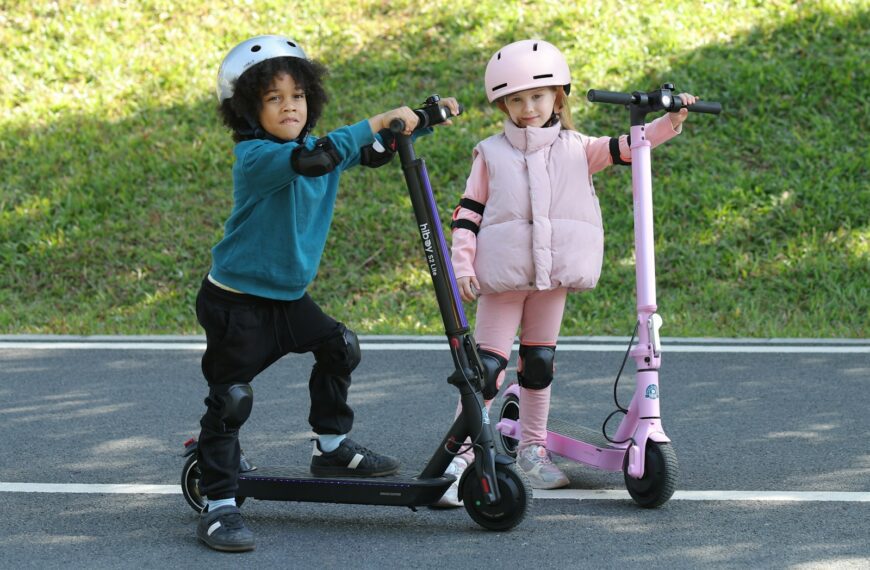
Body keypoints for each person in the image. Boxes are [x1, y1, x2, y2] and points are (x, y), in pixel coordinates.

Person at [194, 34, 459, 551]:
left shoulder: (318, 149)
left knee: (340, 348)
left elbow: (368, 151)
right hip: (236, 303)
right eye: (273, 98)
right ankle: (219, 505)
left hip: (288, 299)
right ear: (247, 110)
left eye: (297, 95)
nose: (289, 106)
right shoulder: (255, 157)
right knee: (231, 401)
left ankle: (331, 447)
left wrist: (422, 120)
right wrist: (377, 119)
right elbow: (317, 158)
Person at [434, 39, 696, 507]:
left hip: (552, 279)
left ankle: (533, 449)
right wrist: (462, 264)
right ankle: (464, 455)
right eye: (515, 100)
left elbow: (629, 147)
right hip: (503, 278)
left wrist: (670, 121)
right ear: (503, 105)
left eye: (537, 96)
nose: (527, 108)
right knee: (487, 370)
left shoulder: (579, 148)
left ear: (558, 97)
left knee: (538, 364)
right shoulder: (490, 153)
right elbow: (467, 213)